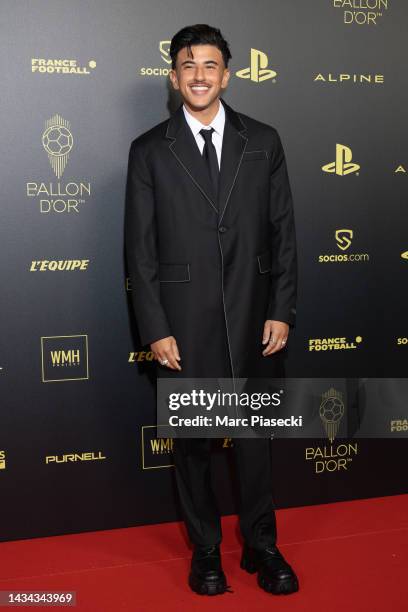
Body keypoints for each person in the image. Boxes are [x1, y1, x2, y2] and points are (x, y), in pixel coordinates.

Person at [125, 24, 298, 596]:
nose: (199, 75)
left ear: (227, 74)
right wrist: (155, 328)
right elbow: (140, 250)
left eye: (210, 65)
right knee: (194, 446)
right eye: (188, 65)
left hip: (255, 317)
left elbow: (283, 233)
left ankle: (261, 545)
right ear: (174, 78)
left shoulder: (264, 142)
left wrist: (282, 309)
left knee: (254, 443)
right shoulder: (150, 150)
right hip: (184, 324)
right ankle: (205, 550)